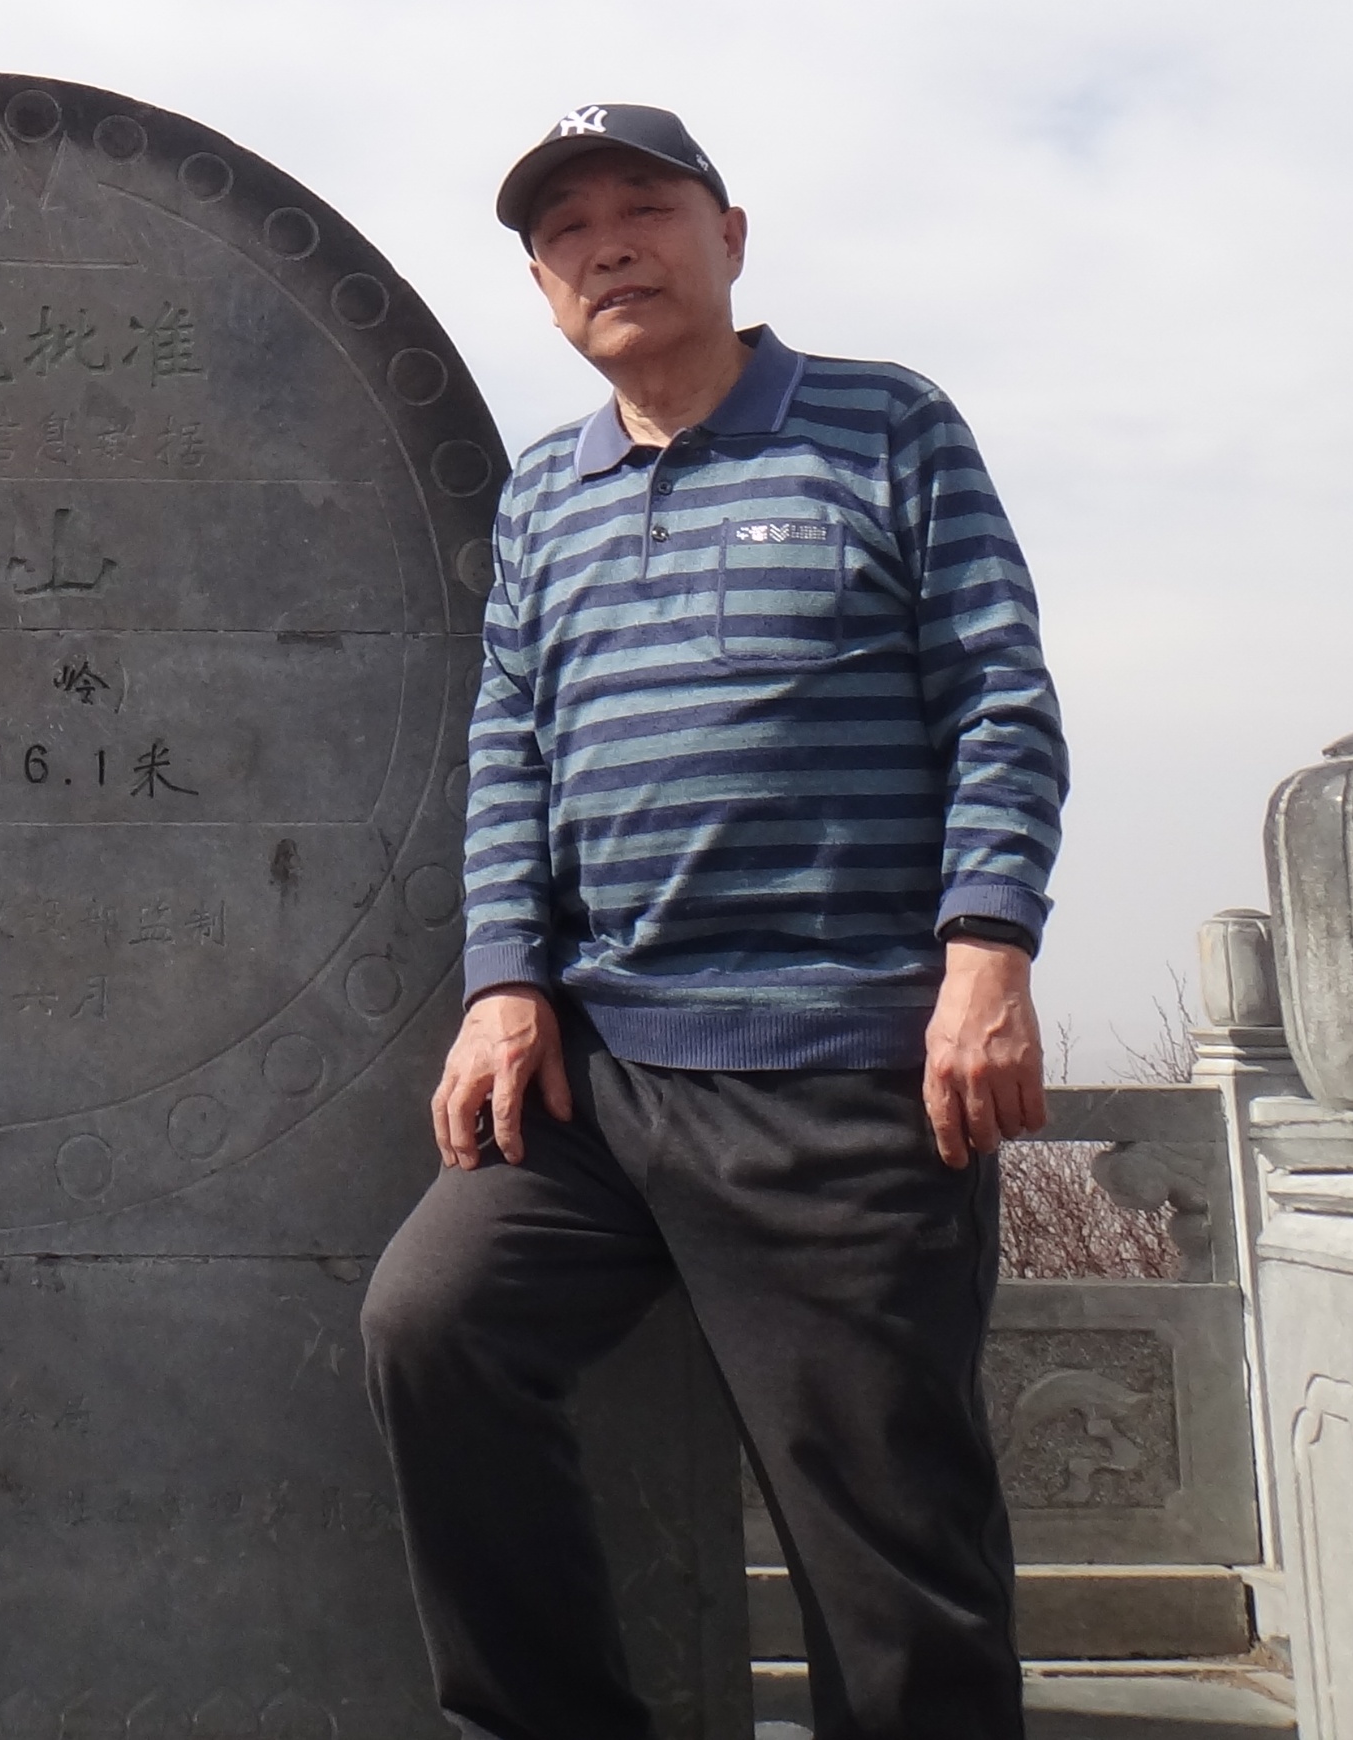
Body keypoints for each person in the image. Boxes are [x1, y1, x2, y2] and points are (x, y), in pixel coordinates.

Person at [360, 103, 1063, 1740]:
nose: (608, 244)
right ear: (542, 290)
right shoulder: (548, 496)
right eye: (564, 232)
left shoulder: (888, 426)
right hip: (605, 1083)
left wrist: (986, 953)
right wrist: (506, 982)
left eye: (642, 207)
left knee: (893, 1563)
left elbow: (1000, 699)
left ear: (727, 236)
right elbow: (510, 751)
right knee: (433, 1329)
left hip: (846, 1077)